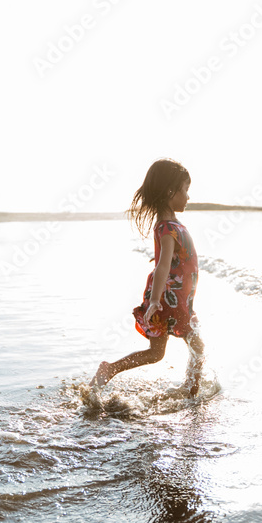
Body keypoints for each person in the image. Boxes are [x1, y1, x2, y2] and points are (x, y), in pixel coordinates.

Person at [90, 159, 205, 396]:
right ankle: (191, 393)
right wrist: (154, 300)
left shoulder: (168, 225)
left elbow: (166, 261)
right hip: (168, 298)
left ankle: (110, 369)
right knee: (197, 347)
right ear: (170, 192)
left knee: (156, 353)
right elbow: (163, 266)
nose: (188, 197)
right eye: (185, 190)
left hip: (175, 297)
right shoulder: (167, 228)